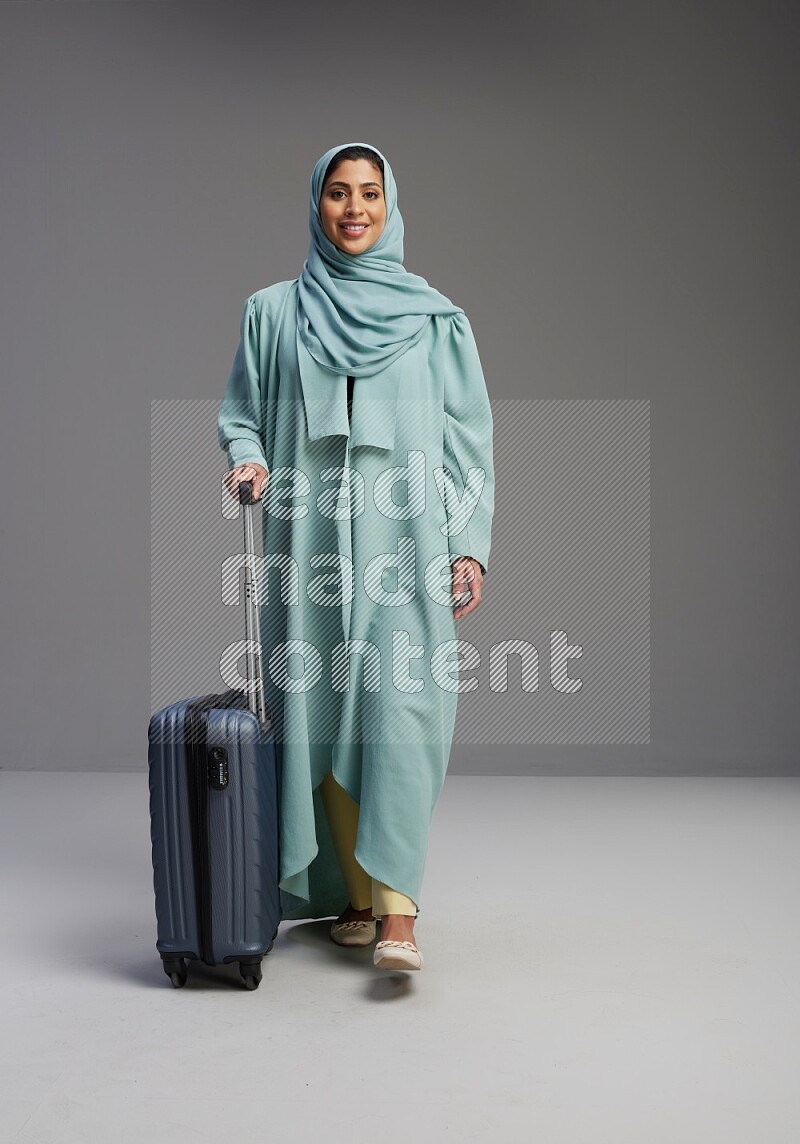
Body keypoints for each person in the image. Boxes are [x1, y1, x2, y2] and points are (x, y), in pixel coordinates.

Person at [217, 142, 494, 972]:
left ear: (390, 203)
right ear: (317, 204)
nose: (353, 209)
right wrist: (249, 457)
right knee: (322, 714)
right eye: (338, 193)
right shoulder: (273, 312)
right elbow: (241, 411)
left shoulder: (435, 320)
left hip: (408, 540)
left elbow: (467, 439)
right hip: (305, 543)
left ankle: (399, 914)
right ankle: (359, 900)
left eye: (369, 193)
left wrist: (470, 548)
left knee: (401, 711)